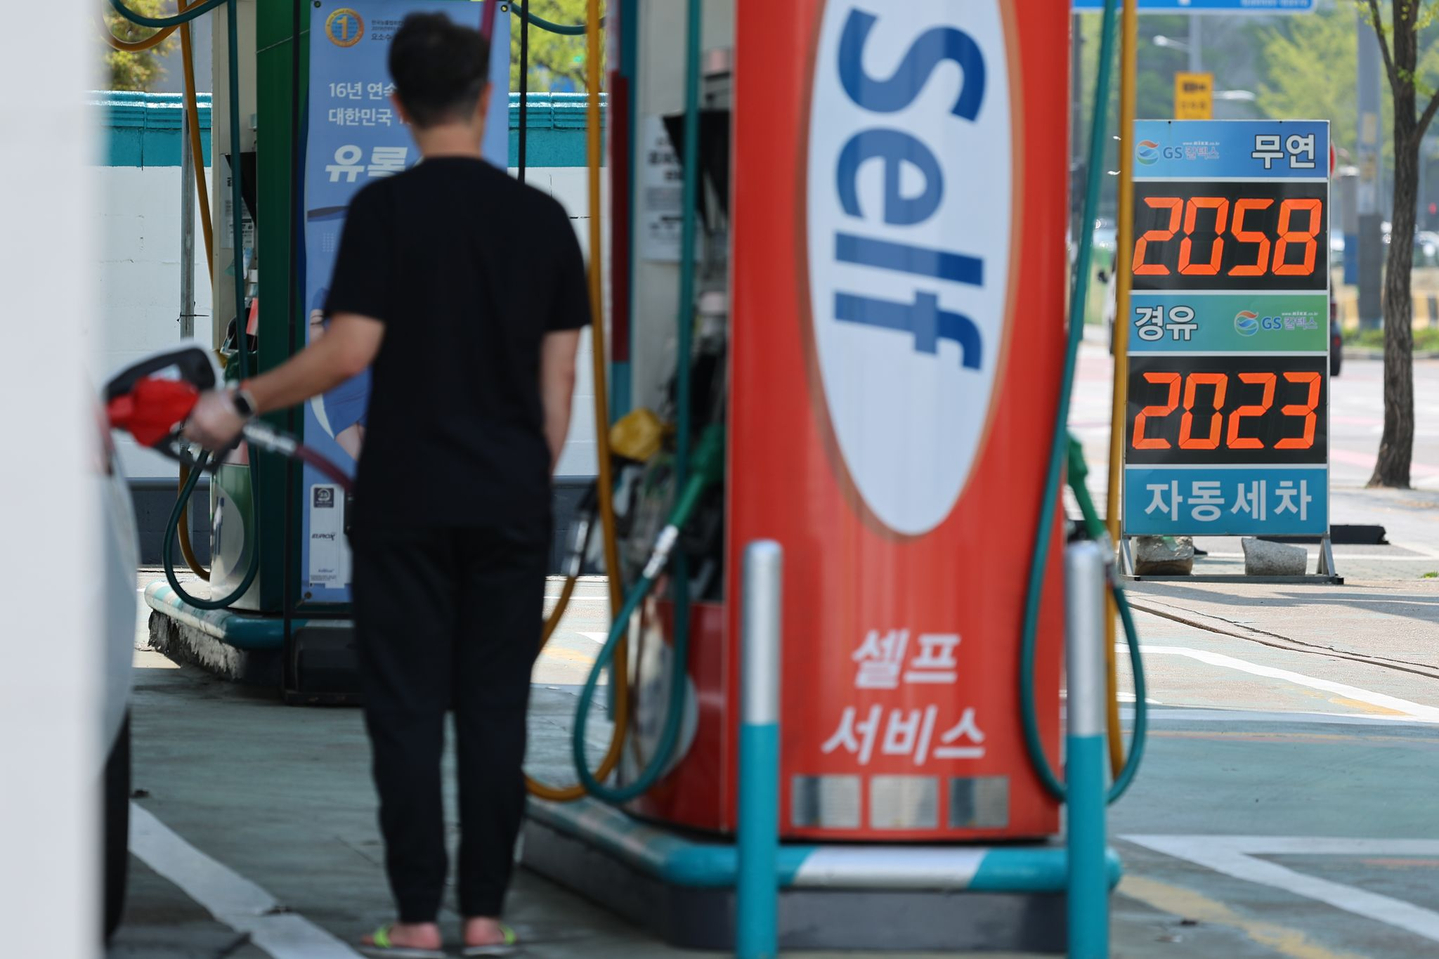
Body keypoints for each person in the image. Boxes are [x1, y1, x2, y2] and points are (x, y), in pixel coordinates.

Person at [183, 12, 589, 956]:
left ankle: (413, 920)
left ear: (401, 107)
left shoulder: (384, 211)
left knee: (405, 708)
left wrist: (239, 398)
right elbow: (557, 387)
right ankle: (484, 919)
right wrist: (524, 478)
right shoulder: (542, 223)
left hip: (404, 500)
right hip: (510, 503)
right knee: (493, 709)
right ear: (487, 100)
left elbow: (348, 351)